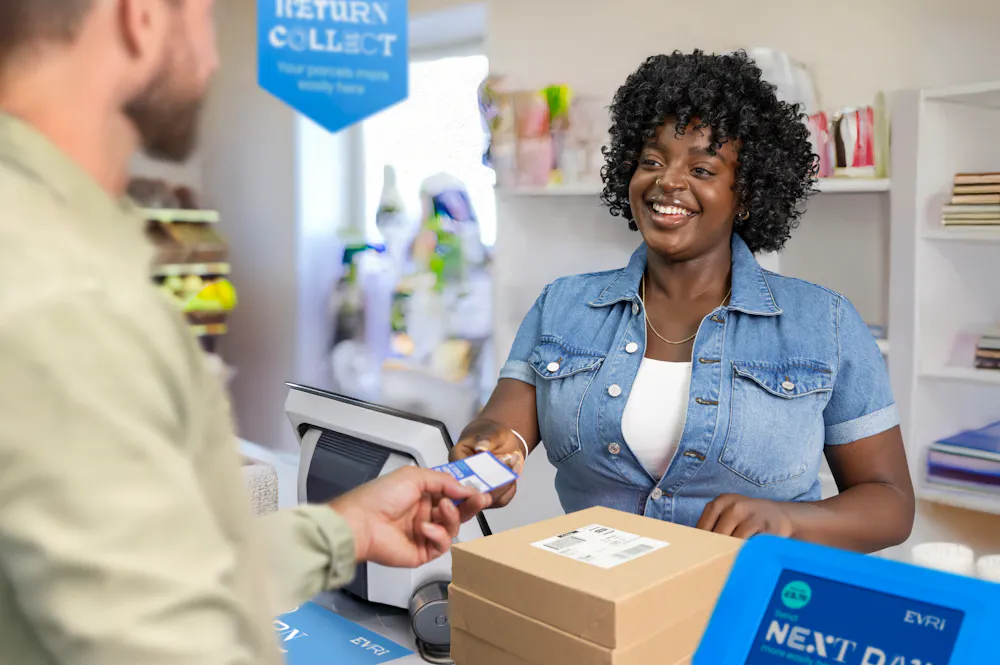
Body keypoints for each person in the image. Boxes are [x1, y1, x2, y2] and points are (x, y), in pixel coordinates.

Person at [0, 2, 490, 664]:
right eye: (203, 15)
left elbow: (155, 566)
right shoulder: (72, 292)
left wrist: (344, 530)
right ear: (139, 17)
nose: (214, 57)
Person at [452, 50, 915, 553]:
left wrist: (788, 521)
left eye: (702, 168)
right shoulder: (562, 306)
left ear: (748, 194)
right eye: (652, 161)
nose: (668, 181)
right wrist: (488, 449)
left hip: (753, 606)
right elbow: (503, 429)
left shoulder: (823, 323)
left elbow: (889, 504)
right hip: (599, 606)